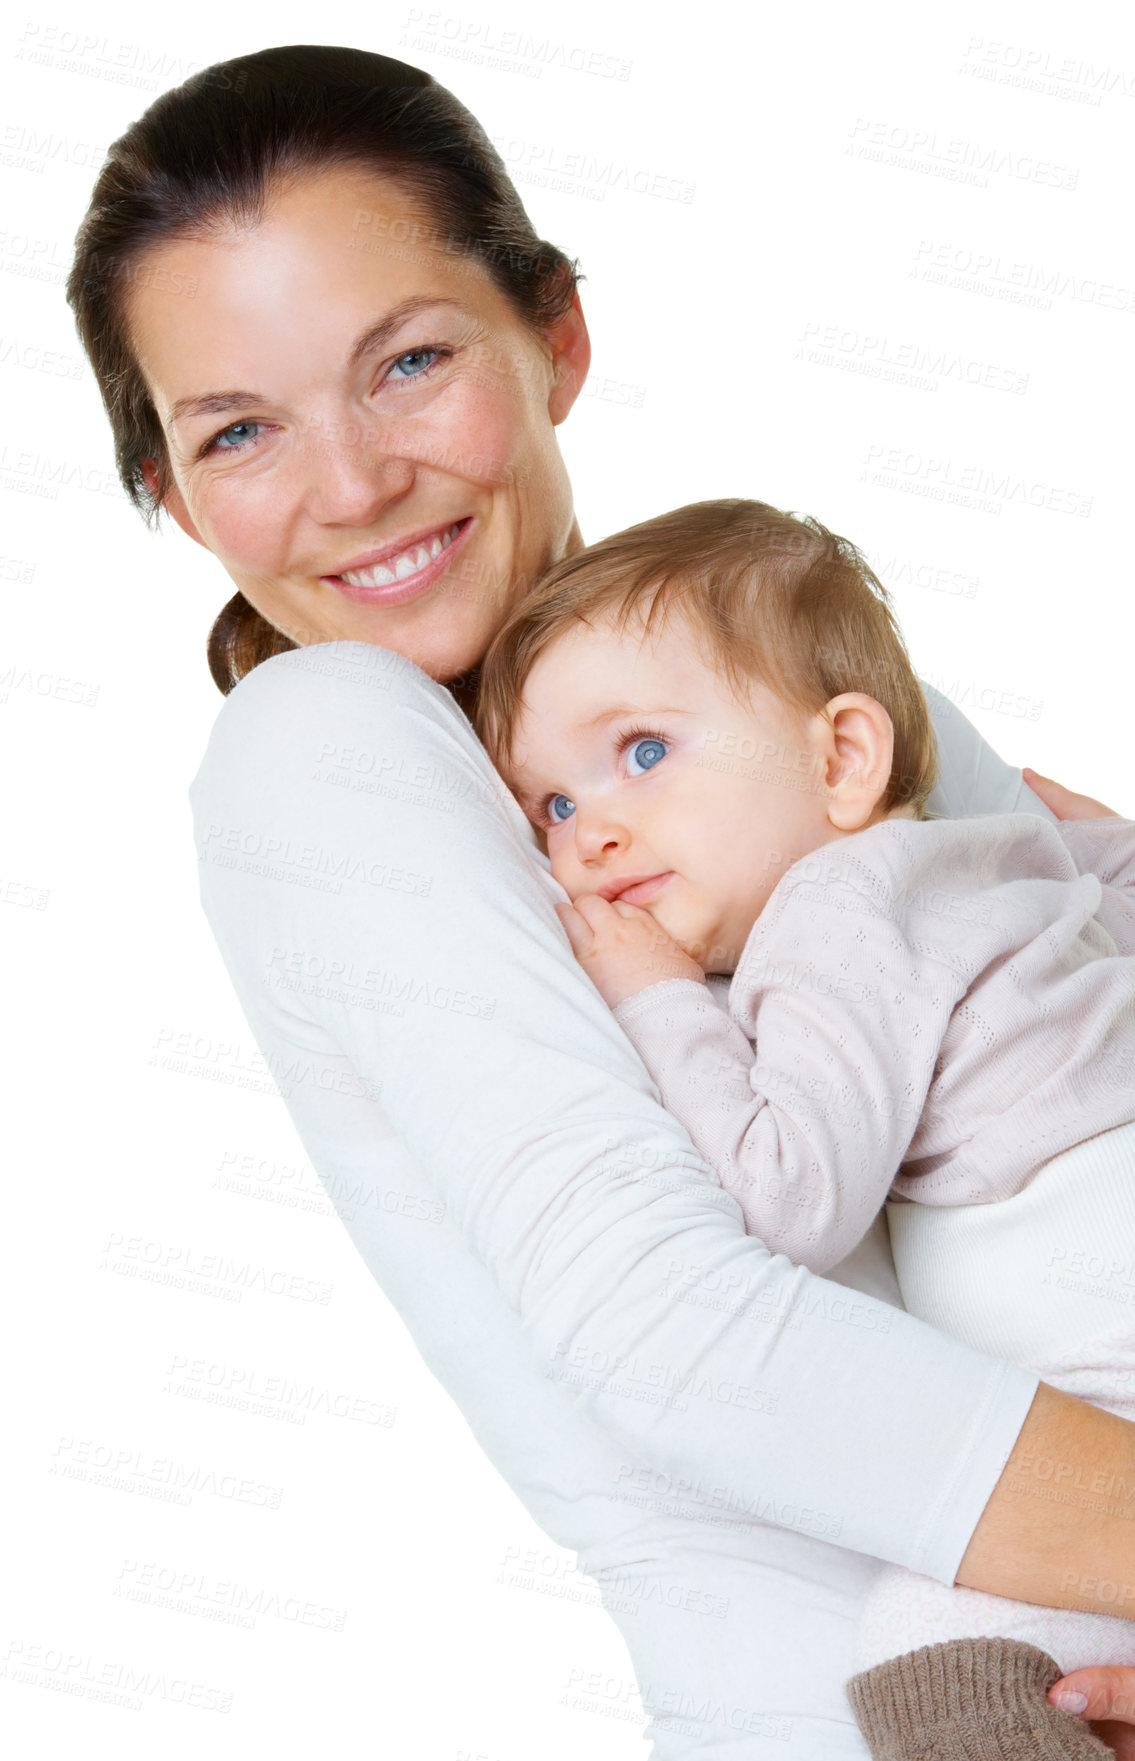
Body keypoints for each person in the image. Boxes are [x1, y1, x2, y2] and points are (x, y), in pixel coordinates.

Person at [64, 42, 1135, 1755]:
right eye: (241, 429)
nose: (350, 486)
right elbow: (685, 1340)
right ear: (174, 501)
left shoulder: (787, 697)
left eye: (408, 363)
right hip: (894, 1712)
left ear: (555, 336)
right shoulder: (328, 738)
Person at [470, 495, 1135, 1756]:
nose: (591, 829)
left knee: (931, 1663)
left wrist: (662, 1000)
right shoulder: (993, 856)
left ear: (842, 760)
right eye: (549, 807)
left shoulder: (834, 917)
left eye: (645, 752)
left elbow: (786, 1200)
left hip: (1108, 1345)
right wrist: (1102, 837)